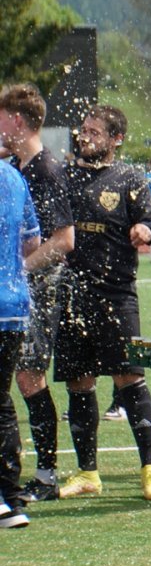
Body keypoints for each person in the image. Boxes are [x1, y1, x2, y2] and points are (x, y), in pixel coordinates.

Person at [55, 105, 151, 501]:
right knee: (78, 382)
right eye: (83, 129)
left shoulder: (129, 178)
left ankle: (150, 469)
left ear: (116, 139)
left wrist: (146, 230)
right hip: (71, 295)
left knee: (129, 378)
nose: (84, 136)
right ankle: (88, 472)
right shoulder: (65, 175)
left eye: (94, 131)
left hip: (116, 296)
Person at [0, 84, 75, 503]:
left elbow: (65, 240)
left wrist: (19, 269)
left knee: (30, 378)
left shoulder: (46, 168)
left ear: (16, 120)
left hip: (39, 287)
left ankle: (46, 474)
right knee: (18, 380)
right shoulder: (16, 166)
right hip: (20, 288)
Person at [0, 157, 41, 528]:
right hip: (12, 304)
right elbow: (32, 241)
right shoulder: (13, 177)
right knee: (1, 402)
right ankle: (9, 498)